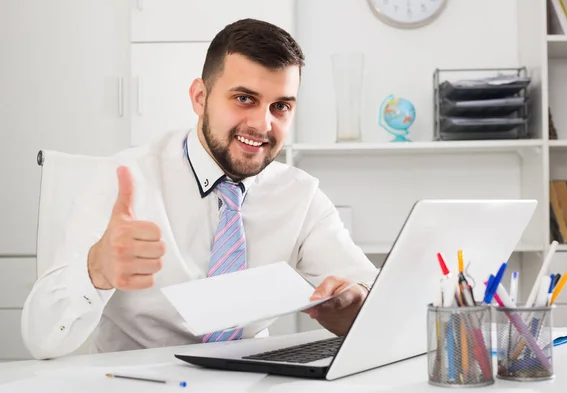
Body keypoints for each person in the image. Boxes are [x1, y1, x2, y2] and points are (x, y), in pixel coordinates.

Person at [21, 18, 378, 360]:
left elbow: (374, 299)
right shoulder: (123, 179)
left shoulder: (300, 196)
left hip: (249, 382)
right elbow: (41, 340)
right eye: (244, 98)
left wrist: (354, 305)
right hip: (135, 385)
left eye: (280, 106)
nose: (262, 124)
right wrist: (95, 269)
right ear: (199, 97)